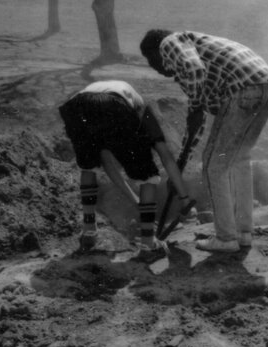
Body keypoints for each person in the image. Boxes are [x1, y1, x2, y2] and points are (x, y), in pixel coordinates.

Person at [139, 28, 268, 253]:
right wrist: (181, 163)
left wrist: (196, 106)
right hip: (267, 86)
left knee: (213, 166)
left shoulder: (169, 43)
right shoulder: (197, 55)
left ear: (154, 51)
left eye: (151, 61)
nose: (156, 68)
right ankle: (243, 233)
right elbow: (197, 123)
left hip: (243, 88)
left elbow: (193, 69)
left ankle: (226, 238)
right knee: (239, 159)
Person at [58, 79, 194, 256]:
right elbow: (165, 155)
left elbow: (105, 162)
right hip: (112, 104)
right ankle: (148, 243)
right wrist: (185, 201)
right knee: (148, 175)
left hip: (75, 107)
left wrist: (134, 200)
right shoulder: (144, 112)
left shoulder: (118, 100)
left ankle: (89, 231)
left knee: (89, 166)